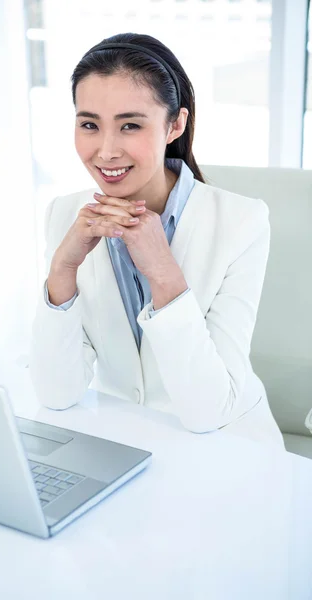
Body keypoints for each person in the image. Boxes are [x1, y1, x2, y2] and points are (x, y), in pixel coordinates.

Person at [29, 32, 284, 448]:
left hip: (231, 450)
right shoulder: (65, 216)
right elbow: (56, 395)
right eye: (89, 125)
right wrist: (63, 268)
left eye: (130, 125)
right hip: (126, 448)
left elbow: (209, 411)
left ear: (175, 124)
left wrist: (164, 274)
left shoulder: (242, 222)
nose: (106, 151)